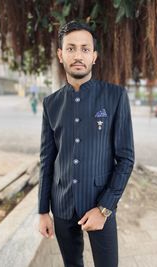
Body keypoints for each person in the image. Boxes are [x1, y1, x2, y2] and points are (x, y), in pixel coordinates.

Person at [38, 20, 135, 267]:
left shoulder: (115, 97)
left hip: (99, 203)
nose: (78, 55)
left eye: (84, 48)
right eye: (70, 48)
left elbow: (125, 158)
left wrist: (104, 208)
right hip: (61, 206)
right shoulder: (51, 104)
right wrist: (42, 212)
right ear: (61, 55)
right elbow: (47, 161)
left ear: (94, 56)